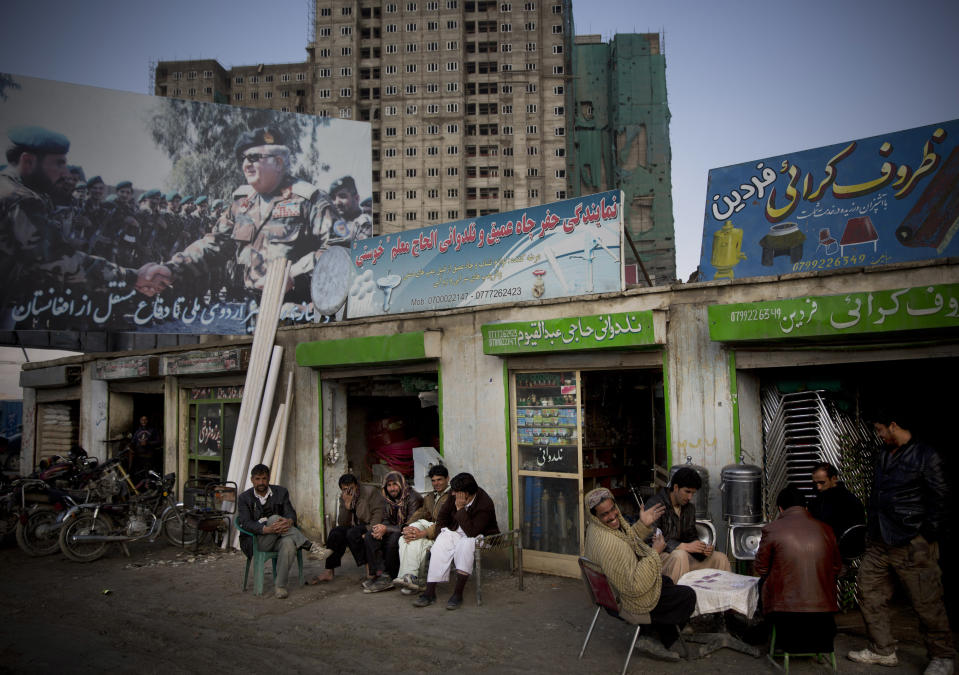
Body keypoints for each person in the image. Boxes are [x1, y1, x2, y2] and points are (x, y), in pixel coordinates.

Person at [151, 127, 364, 310]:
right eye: (243, 159)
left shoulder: (309, 199)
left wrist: (293, 273)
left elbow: (342, 245)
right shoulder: (242, 202)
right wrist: (172, 268)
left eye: (254, 158)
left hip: (297, 306)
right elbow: (215, 243)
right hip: (252, 306)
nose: (246, 164)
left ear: (278, 162)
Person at [0, 126, 168, 327]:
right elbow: (59, 260)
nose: (64, 173)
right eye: (59, 164)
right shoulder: (21, 200)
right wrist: (132, 276)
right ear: (28, 161)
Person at [848, 411, 954, 674]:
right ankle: (882, 649)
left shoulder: (925, 455)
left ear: (894, 425)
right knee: (867, 591)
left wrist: (925, 535)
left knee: (926, 601)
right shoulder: (885, 454)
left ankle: (942, 656)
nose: (879, 435)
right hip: (879, 540)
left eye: (881, 430)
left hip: (911, 541)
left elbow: (941, 497)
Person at [583, 487, 696, 660]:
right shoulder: (608, 544)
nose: (612, 516)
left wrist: (643, 524)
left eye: (613, 509)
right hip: (628, 602)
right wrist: (655, 552)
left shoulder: (595, 529)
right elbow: (635, 587)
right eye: (605, 514)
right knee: (687, 596)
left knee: (665, 582)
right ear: (595, 516)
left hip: (610, 595)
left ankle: (652, 631)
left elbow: (625, 544)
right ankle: (655, 637)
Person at [755, 486, 841, 656]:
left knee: (761, 583)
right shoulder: (827, 529)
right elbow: (836, 566)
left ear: (780, 508)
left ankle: (767, 632)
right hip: (823, 617)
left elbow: (761, 568)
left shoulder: (772, 529)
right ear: (806, 507)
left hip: (785, 615)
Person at [236, 463, 331, 599]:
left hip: (279, 538)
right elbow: (245, 523)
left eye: (264, 479)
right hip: (256, 541)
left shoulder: (281, 492)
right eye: (257, 479)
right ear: (252, 480)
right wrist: (266, 529)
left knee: (288, 544)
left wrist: (289, 521)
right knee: (275, 518)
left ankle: (280, 586)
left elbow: (291, 513)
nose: (261, 482)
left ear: (269, 478)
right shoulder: (244, 498)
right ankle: (310, 547)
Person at [412, 472, 498, 610]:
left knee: (466, 544)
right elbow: (442, 518)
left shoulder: (484, 503)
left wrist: (460, 509)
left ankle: (458, 593)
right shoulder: (454, 495)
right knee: (442, 542)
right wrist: (440, 534)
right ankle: (429, 592)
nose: (452, 495)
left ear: (467, 494)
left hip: (481, 536)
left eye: (456, 493)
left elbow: (472, 532)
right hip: (457, 531)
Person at [646, 467, 731, 583]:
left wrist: (702, 549)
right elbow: (650, 539)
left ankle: (722, 598)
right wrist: (682, 546)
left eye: (693, 493)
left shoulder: (689, 508)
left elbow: (691, 537)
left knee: (721, 558)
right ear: (675, 487)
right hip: (659, 558)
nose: (690, 497)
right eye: (687, 492)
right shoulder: (655, 504)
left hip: (683, 557)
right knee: (680, 556)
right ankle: (678, 598)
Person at [310, 473, 381, 584]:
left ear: (356, 486)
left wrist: (370, 530)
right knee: (335, 533)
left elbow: (378, 513)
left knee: (353, 534)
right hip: (354, 527)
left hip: (368, 525)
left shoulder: (369, 492)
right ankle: (329, 571)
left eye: (351, 488)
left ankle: (369, 570)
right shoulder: (344, 497)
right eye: (345, 489)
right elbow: (342, 522)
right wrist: (347, 505)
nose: (348, 491)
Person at [362, 471, 423, 593]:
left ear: (401, 484)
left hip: (411, 530)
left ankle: (390, 576)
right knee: (370, 535)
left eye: (395, 484)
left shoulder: (413, 498)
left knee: (394, 539)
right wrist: (381, 529)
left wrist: (386, 529)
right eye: (389, 485)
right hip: (394, 529)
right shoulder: (387, 499)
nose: (392, 488)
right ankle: (381, 574)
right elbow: (385, 520)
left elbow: (409, 525)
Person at [395, 464, 451, 594]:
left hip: (443, 532)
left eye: (439, 480)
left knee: (414, 539)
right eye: (433, 480)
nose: (436, 483)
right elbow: (421, 512)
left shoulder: (453, 496)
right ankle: (411, 579)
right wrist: (407, 526)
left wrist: (425, 533)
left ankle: (410, 577)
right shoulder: (430, 497)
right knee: (404, 539)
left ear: (447, 478)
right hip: (428, 528)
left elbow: (448, 522)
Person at [807, 462, 866, 550]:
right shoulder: (816, 501)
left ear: (834, 479)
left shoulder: (848, 501)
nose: (818, 487)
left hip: (839, 553)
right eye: (815, 483)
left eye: (822, 482)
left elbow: (856, 531)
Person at [329, 175, 373, 242]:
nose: (336, 202)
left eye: (342, 196)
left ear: (356, 198)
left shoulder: (366, 222)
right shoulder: (332, 223)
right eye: (333, 198)